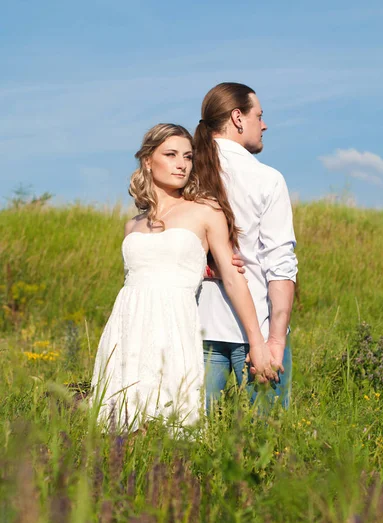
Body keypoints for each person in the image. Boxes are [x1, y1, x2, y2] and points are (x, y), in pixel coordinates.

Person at [91, 123, 276, 429]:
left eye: (188, 157)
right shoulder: (132, 225)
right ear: (148, 161)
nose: (182, 164)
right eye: (171, 154)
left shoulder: (205, 211)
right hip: (127, 327)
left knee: (171, 424)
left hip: (175, 326)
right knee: (120, 425)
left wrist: (257, 342)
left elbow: (232, 277)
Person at [194, 83, 298, 412]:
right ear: (238, 118)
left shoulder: (184, 173)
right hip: (257, 333)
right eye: (260, 116)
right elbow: (280, 265)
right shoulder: (267, 179)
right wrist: (276, 341)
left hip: (195, 327)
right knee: (264, 449)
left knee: (189, 444)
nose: (264, 125)